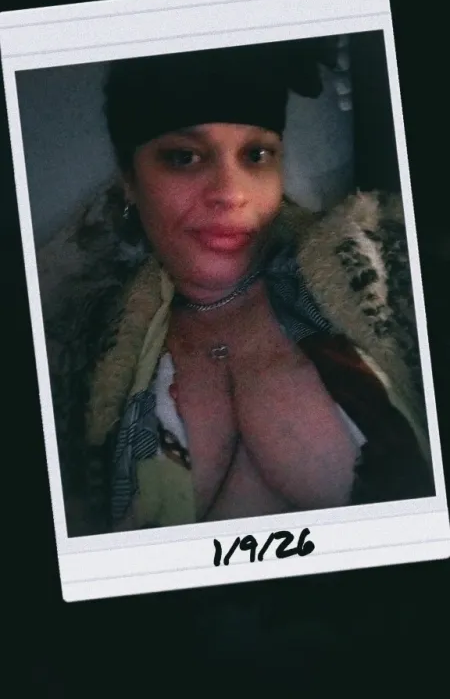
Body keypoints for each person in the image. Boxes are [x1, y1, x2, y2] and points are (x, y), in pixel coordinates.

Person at [43, 42, 434, 537]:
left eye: (256, 155)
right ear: (128, 180)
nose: (231, 193)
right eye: (184, 157)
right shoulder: (74, 353)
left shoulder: (383, 267)